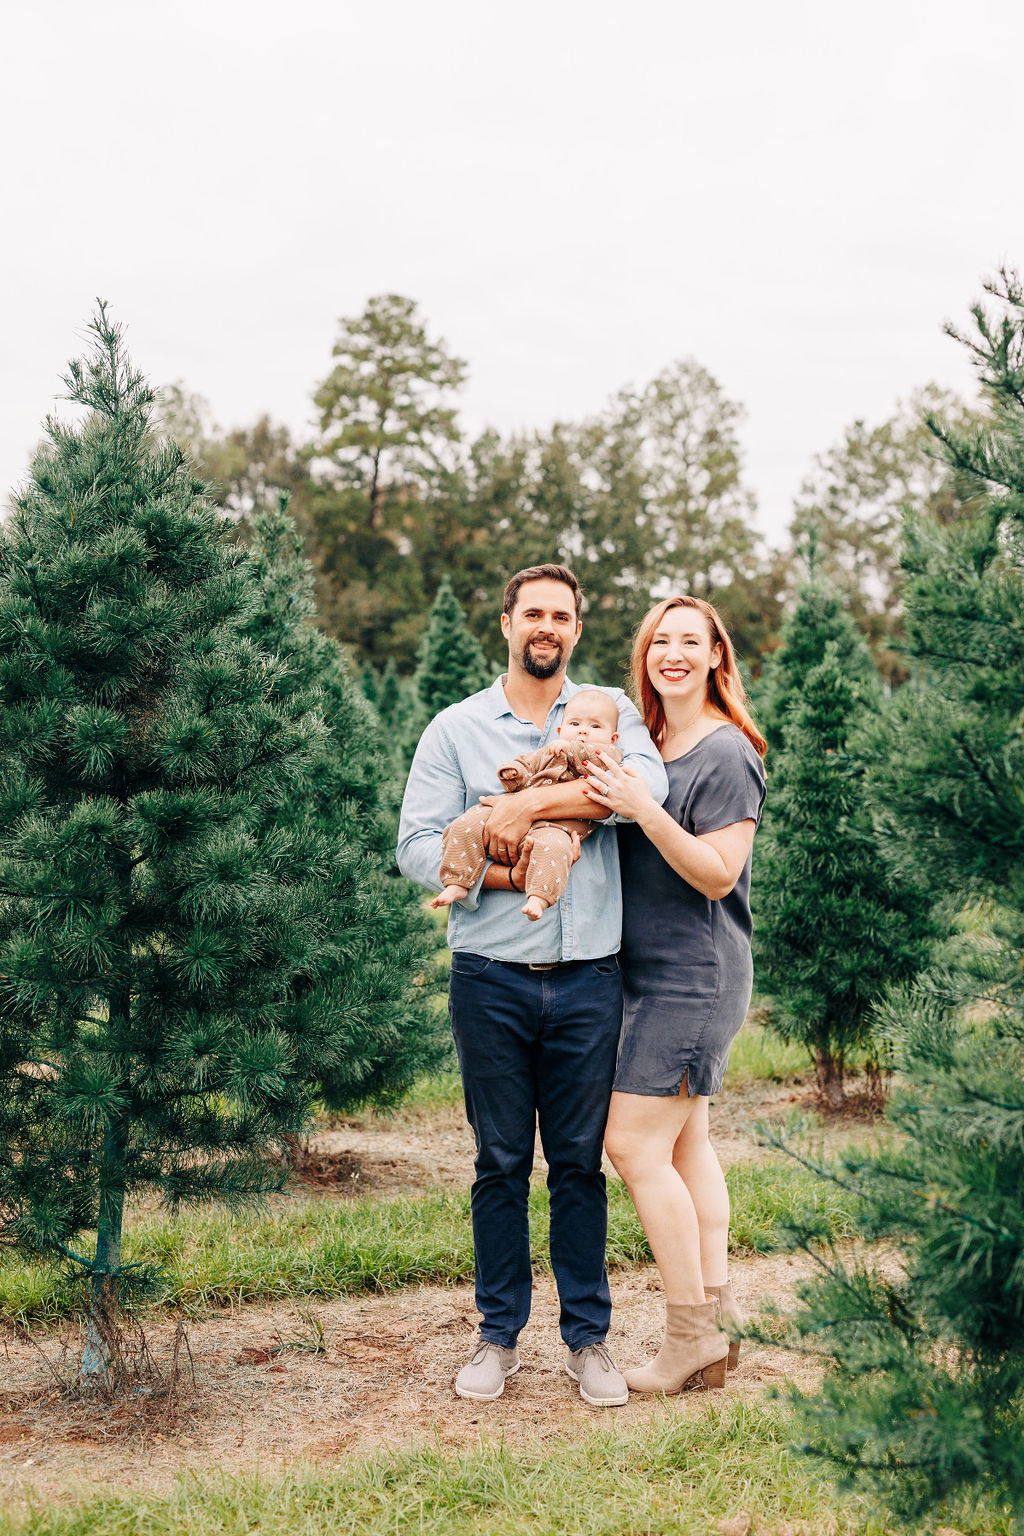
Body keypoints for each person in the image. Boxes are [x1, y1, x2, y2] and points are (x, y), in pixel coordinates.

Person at [397, 565, 668, 1406]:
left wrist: (522, 811)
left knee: (580, 1165)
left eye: (562, 615)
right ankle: (497, 1336)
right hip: (491, 978)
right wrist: (515, 864)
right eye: (533, 614)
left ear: (577, 629)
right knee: (501, 1162)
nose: (546, 627)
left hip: (590, 976)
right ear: (508, 622)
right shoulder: (456, 728)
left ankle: (589, 1342)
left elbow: (646, 791)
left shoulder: (607, 715)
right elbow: (417, 845)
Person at [582, 595, 766, 1395]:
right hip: (645, 972)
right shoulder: (648, 743)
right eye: (662, 641)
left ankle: (688, 1336)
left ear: (718, 657)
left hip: (694, 975)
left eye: (692, 641)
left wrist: (643, 808)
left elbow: (718, 872)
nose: (675, 653)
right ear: (646, 659)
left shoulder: (726, 752)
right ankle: (716, 1332)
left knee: (631, 1146)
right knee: (686, 1147)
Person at [431, 689, 623, 922]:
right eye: (575, 723)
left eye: (595, 727)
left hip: (556, 828)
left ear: (613, 738)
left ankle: (539, 898)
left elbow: (596, 759)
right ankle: (458, 881)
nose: (583, 731)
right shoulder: (550, 751)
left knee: (554, 850)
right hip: (509, 814)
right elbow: (527, 764)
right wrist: (514, 773)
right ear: (561, 730)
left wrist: (570, 748)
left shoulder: (608, 755)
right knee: (467, 823)